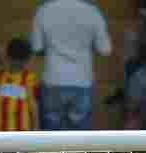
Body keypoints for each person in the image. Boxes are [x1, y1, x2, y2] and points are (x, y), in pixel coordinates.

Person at [30, 0, 111, 131]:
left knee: (51, 134)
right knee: (79, 136)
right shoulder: (92, 12)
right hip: (82, 80)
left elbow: (36, 47)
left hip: (53, 79)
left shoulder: (44, 10)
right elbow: (105, 50)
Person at [0, 38, 40, 131]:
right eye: (14, 59)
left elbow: (33, 105)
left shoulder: (29, 78)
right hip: (1, 130)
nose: (17, 63)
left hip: (22, 131)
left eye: (19, 60)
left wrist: (36, 128)